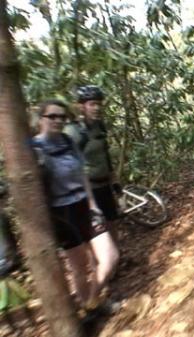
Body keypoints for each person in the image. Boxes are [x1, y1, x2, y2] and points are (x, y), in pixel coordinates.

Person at [31, 99, 118, 311]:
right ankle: (91, 304)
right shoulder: (33, 148)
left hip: (84, 206)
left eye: (62, 117)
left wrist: (93, 205)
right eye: (52, 116)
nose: (58, 120)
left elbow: (82, 175)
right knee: (80, 268)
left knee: (110, 257)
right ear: (41, 118)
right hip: (62, 214)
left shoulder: (68, 142)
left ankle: (91, 301)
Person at [64, 86, 120, 242]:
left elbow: (105, 155)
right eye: (92, 104)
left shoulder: (99, 125)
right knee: (97, 230)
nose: (97, 108)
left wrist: (114, 181)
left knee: (112, 222)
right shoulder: (73, 132)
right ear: (82, 106)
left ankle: (119, 258)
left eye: (99, 104)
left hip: (104, 185)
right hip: (88, 191)